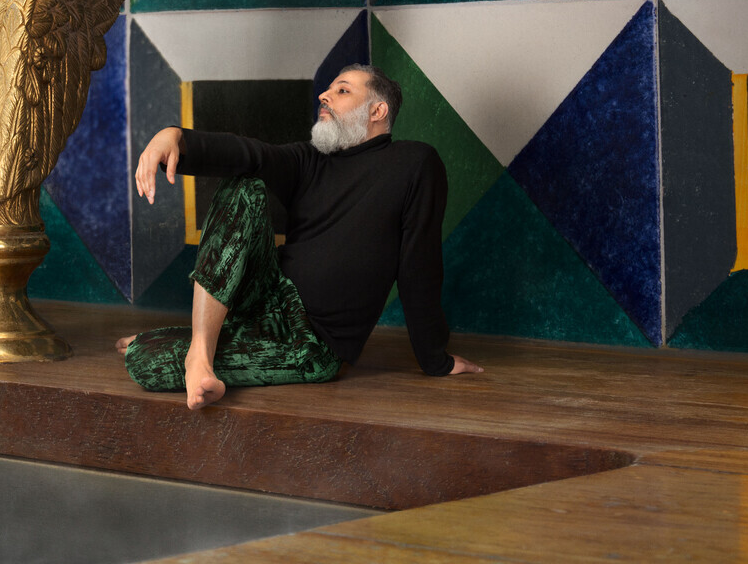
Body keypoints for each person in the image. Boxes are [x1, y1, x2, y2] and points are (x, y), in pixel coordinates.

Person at [119, 64, 483, 408]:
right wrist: (175, 137)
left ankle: (181, 345)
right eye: (328, 89)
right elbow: (250, 153)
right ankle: (199, 352)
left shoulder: (415, 163)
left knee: (142, 361)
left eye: (342, 90)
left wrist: (435, 359)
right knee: (243, 185)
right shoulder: (310, 160)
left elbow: (419, 267)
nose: (325, 95)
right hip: (263, 299)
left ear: (378, 110)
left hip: (307, 341)